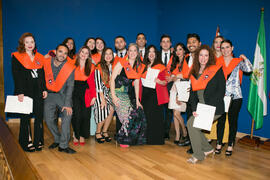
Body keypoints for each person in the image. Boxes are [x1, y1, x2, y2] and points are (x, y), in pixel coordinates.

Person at [187, 45, 226, 163]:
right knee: (191, 124)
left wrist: (209, 109)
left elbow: (221, 90)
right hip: (200, 108)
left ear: (209, 57)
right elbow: (193, 95)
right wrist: (194, 109)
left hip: (214, 107)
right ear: (197, 56)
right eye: (201, 55)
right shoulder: (194, 72)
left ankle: (198, 155)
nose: (203, 58)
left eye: (206, 55)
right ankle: (208, 148)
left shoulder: (216, 69)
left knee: (191, 125)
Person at [216, 40, 253, 156]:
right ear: (220, 49)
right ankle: (219, 143)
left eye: (227, 47)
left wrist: (245, 58)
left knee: (232, 121)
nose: (225, 50)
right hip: (221, 97)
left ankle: (231, 144)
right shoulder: (217, 62)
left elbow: (249, 69)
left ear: (232, 48)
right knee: (220, 121)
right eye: (222, 48)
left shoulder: (238, 61)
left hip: (235, 96)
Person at [11, 32, 47, 152]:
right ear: (23, 44)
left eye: (32, 42)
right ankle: (27, 141)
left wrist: (44, 89)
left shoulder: (40, 58)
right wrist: (19, 92)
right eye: (27, 42)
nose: (30, 44)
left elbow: (42, 75)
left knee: (38, 116)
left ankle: (38, 140)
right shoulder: (17, 57)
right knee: (25, 117)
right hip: (25, 91)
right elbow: (16, 76)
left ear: (34, 43)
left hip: (38, 90)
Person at [110, 43, 146, 147]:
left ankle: (127, 138)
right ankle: (122, 138)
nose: (133, 53)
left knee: (135, 113)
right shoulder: (121, 63)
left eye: (135, 50)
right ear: (127, 52)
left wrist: (138, 100)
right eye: (130, 50)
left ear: (138, 53)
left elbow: (137, 84)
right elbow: (112, 79)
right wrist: (113, 96)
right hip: (116, 92)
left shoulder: (139, 66)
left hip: (125, 94)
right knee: (126, 117)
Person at [43, 44, 76, 154]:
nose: (63, 55)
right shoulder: (47, 62)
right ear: (56, 51)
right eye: (61, 52)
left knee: (68, 114)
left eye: (65, 53)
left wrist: (67, 104)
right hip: (49, 95)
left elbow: (70, 87)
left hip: (63, 95)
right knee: (48, 119)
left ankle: (63, 145)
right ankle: (57, 138)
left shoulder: (69, 68)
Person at [141, 45, 169, 145]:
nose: (151, 54)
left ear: (156, 54)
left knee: (155, 117)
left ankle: (156, 139)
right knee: (146, 116)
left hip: (155, 94)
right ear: (147, 54)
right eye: (149, 52)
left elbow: (165, 82)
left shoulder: (161, 67)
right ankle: (145, 138)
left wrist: (159, 81)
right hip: (145, 94)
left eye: (153, 52)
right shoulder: (142, 66)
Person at [71, 46, 96, 146]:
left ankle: (82, 135)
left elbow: (92, 83)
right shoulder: (71, 63)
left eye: (86, 53)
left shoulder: (91, 67)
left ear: (89, 56)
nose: (84, 54)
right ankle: (76, 135)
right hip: (74, 91)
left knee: (85, 115)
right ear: (79, 52)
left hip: (86, 92)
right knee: (77, 114)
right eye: (82, 52)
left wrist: (94, 96)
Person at [182, 33, 201, 153]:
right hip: (188, 92)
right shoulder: (187, 58)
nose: (191, 44)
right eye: (189, 42)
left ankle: (197, 146)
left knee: (197, 119)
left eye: (194, 42)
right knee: (189, 117)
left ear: (199, 44)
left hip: (199, 93)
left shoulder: (203, 57)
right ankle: (191, 140)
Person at [169, 43, 190, 145]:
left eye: (180, 49)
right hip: (174, 88)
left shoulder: (188, 60)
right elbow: (172, 76)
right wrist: (176, 76)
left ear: (184, 51)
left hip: (182, 88)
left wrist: (176, 75)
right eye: (176, 50)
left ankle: (185, 131)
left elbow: (187, 75)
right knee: (175, 114)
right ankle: (177, 135)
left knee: (177, 113)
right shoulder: (176, 62)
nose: (178, 52)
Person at [94, 48, 115, 143]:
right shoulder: (99, 66)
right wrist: (102, 99)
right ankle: (98, 132)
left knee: (112, 108)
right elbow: (98, 85)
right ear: (103, 56)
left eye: (110, 54)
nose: (108, 56)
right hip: (99, 92)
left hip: (109, 91)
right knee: (103, 108)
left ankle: (105, 131)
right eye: (106, 54)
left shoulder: (112, 66)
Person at [160, 34, 173, 139]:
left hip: (171, 86)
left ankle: (166, 131)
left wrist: (172, 77)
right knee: (159, 109)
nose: (165, 43)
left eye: (167, 41)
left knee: (169, 110)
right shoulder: (155, 54)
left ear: (170, 44)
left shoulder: (175, 56)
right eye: (163, 41)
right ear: (160, 44)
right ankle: (158, 129)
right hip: (158, 86)